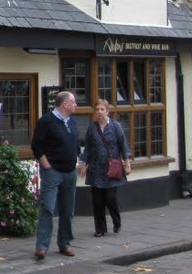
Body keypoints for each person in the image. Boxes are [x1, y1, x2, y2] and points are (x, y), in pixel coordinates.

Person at [30, 90, 80, 260]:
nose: (76, 105)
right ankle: (42, 246)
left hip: (70, 172)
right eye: (73, 102)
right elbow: (37, 146)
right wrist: (47, 166)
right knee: (48, 208)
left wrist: (76, 161)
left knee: (68, 209)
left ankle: (65, 243)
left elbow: (75, 144)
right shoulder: (46, 121)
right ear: (64, 104)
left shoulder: (71, 122)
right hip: (53, 172)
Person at [79, 99, 131, 237]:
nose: (99, 112)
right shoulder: (92, 128)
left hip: (111, 169)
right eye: (97, 110)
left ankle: (116, 221)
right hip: (95, 169)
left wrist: (127, 163)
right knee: (97, 201)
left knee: (110, 198)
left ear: (107, 111)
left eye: (102, 109)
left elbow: (123, 145)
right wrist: (83, 164)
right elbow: (88, 149)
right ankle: (100, 229)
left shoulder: (115, 126)